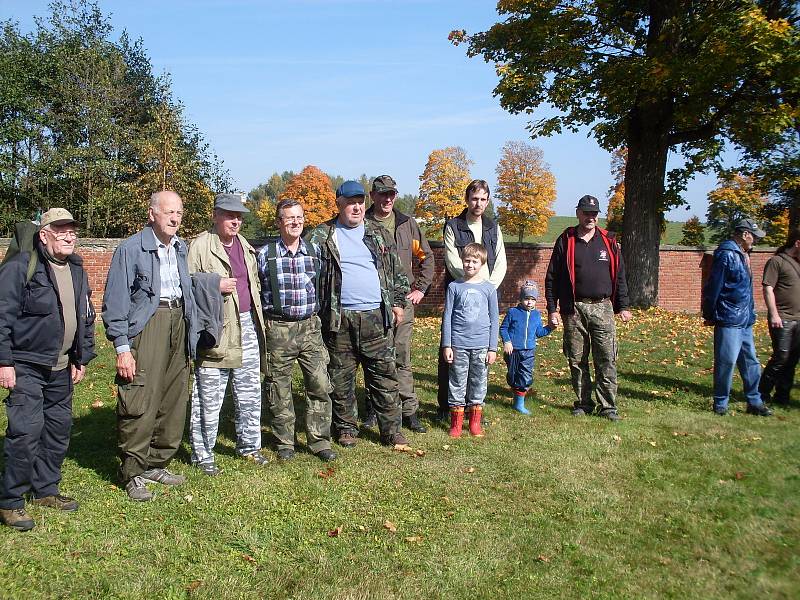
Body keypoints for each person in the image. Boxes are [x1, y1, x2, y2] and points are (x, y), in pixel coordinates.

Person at [0, 209, 95, 531]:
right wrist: (4, 362)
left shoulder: (77, 269)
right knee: (25, 432)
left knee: (57, 430)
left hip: (62, 367)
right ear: (44, 235)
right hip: (26, 364)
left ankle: (46, 490)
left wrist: (81, 357)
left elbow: (86, 315)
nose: (69, 236)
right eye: (61, 230)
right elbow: (2, 317)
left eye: (72, 231)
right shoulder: (20, 268)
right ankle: (11, 501)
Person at [103, 190, 198, 501]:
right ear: (152, 214)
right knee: (140, 396)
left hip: (178, 323)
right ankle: (131, 471)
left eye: (179, 213)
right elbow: (115, 302)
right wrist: (122, 347)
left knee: (172, 397)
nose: (174, 218)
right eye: (168, 212)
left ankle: (156, 462)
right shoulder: (131, 249)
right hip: (147, 326)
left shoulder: (180, 248)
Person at [306, 180, 410, 448]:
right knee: (341, 377)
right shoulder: (322, 235)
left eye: (360, 202)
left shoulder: (378, 233)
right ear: (339, 204)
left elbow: (398, 273)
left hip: (375, 317)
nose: (356, 207)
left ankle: (391, 430)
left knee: (384, 376)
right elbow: (304, 269)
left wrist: (397, 304)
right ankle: (346, 428)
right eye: (350, 202)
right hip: (339, 319)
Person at [188, 193, 268, 476]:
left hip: (246, 325)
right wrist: (213, 284)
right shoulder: (199, 246)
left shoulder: (244, 245)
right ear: (215, 216)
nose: (235, 221)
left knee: (249, 393)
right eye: (229, 215)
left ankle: (249, 446)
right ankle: (203, 454)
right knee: (208, 396)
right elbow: (186, 287)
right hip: (216, 330)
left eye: (239, 217)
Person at [258, 199, 336, 462]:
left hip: (310, 328)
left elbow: (322, 287)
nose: (295, 222)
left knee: (320, 385)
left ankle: (319, 441)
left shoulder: (314, 252)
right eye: (289, 218)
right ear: (279, 222)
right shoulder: (265, 255)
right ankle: (284, 442)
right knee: (279, 388)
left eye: (299, 218)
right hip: (278, 328)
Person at [545, 194, 632, 421]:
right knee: (576, 359)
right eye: (586, 213)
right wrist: (552, 308)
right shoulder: (566, 239)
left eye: (594, 213)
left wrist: (624, 306)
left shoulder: (609, 241)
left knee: (606, 358)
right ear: (578, 213)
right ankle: (583, 403)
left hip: (602, 308)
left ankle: (608, 407)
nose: (590, 217)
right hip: (574, 309)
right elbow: (552, 277)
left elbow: (620, 276)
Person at [364, 174, 434, 433]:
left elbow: (427, 257)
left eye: (391, 193)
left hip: (403, 302)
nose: (387, 198)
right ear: (373, 195)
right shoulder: (363, 223)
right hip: (373, 303)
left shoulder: (407, 224)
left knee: (402, 356)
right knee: (375, 358)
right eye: (382, 193)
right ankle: (374, 408)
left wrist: (420, 289)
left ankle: (409, 410)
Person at [436, 179, 507, 422]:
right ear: (467, 200)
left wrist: (486, 288)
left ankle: (474, 408)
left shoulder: (493, 227)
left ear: (488, 201)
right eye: (474, 198)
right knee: (452, 354)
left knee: (479, 360)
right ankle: (448, 407)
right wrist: (471, 283)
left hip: (485, 295)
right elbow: (453, 261)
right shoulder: (453, 226)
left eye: (483, 199)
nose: (478, 203)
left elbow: (500, 261)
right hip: (460, 292)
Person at [702, 218, 774, 416]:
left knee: (750, 362)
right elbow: (713, 286)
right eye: (754, 237)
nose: (755, 242)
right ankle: (720, 403)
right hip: (729, 317)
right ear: (744, 234)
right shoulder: (726, 255)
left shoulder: (743, 255)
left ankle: (754, 401)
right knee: (726, 362)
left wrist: (751, 314)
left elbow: (746, 290)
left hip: (745, 319)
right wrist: (709, 313)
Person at [441, 243, 499, 437]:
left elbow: (494, 319)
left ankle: (475, 423)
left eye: (475, 261)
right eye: (467, 260)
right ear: (462, 262)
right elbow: (447, 316)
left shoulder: (489, 289)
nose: (470, 265)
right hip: (458, 344)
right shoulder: (454, 287)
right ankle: (456, 424)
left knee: (479, 382)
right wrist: (447, 344)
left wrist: (493, 348)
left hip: (482, 345)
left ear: (482, 264)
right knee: (457, 382)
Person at [500, 280, 554, 415]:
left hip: (529, 351)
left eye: (533, 299)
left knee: (525, 376)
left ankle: (519, 404)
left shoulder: (536, 315)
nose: (529, 302)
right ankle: (515, 391)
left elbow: (539, 332)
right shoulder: (513, 312)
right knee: (513, 376)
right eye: (526, 299)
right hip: (512, 351)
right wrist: (507, 341)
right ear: (521, 299)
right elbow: (504, 328)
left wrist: (551, 327)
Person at [760, 228, 800, 406]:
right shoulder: (776, 261)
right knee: (781, 356)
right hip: (782, 317)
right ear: (797, 243)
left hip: (798, 319)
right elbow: (768, 288)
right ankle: (762, 393)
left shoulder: (798, 264)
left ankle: (782, 396)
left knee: (792, 359)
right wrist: (774, 313)